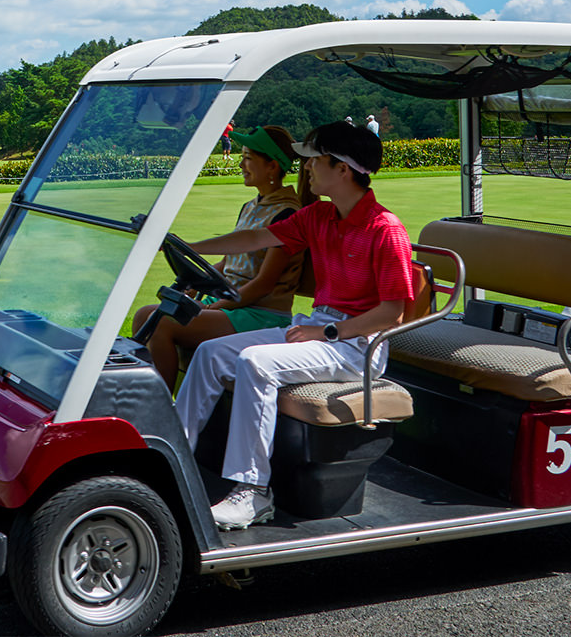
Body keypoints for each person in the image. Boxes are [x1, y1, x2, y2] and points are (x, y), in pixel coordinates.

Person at [174, 120, 416, 530]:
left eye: (315, 160)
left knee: (255, 362)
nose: (306, 168)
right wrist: (185, 247)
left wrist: (326, 333)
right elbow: (255, 239)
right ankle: (175, 458)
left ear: (342, 169)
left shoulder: (385, 229)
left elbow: (392, 312)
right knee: (211, 352)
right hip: (321, 330)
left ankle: (253, 492)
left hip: (358, 346)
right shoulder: (319, 215)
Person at [131, 125, 310, 388]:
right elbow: (227, 263)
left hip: (259, 315)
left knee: (161, 323)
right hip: (233, 306)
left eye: (248, 158)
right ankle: (154, 398)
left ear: (272, 166)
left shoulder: (286, 214)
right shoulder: (250, 207)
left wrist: (214, 307)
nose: (241, 164)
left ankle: (161, 406)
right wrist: (195, 285)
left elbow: (263, 284)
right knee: (143, 315)